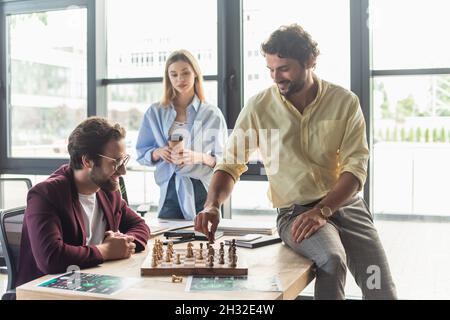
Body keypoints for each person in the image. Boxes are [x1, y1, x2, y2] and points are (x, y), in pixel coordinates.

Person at [195, 24, 397, 300]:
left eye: (284, 68)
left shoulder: (344, 102)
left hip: (346, 207)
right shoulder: (259, 107)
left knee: (380, 287)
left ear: (310, 61)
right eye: (271, 69)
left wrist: (323, 210)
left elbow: (355, 168)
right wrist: (212, 204)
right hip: (295, 213)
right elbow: (230, 164)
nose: (276, 77)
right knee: (332, 258)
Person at [16, 117, 150, 288]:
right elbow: (50, 258)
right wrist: (106, 250)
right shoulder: (46, 194)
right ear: (87, 161)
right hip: (49, 292)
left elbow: (139, 225)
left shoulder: (108, 191)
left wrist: (124, 244)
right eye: (116, 162)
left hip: (95, 283)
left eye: (123, 160)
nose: (123, 171)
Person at [136, 49, 227, 220]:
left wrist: (199, 157)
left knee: (204, 243)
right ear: (168, 78)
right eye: (174, 74)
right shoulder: (155, 112)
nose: (180, 79)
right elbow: (141, 153)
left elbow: (225, 161)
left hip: (202, 189)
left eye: (185, 73)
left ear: (195, 75)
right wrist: (158, 152)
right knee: (168, 242)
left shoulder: (212, 113)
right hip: (170, 189)